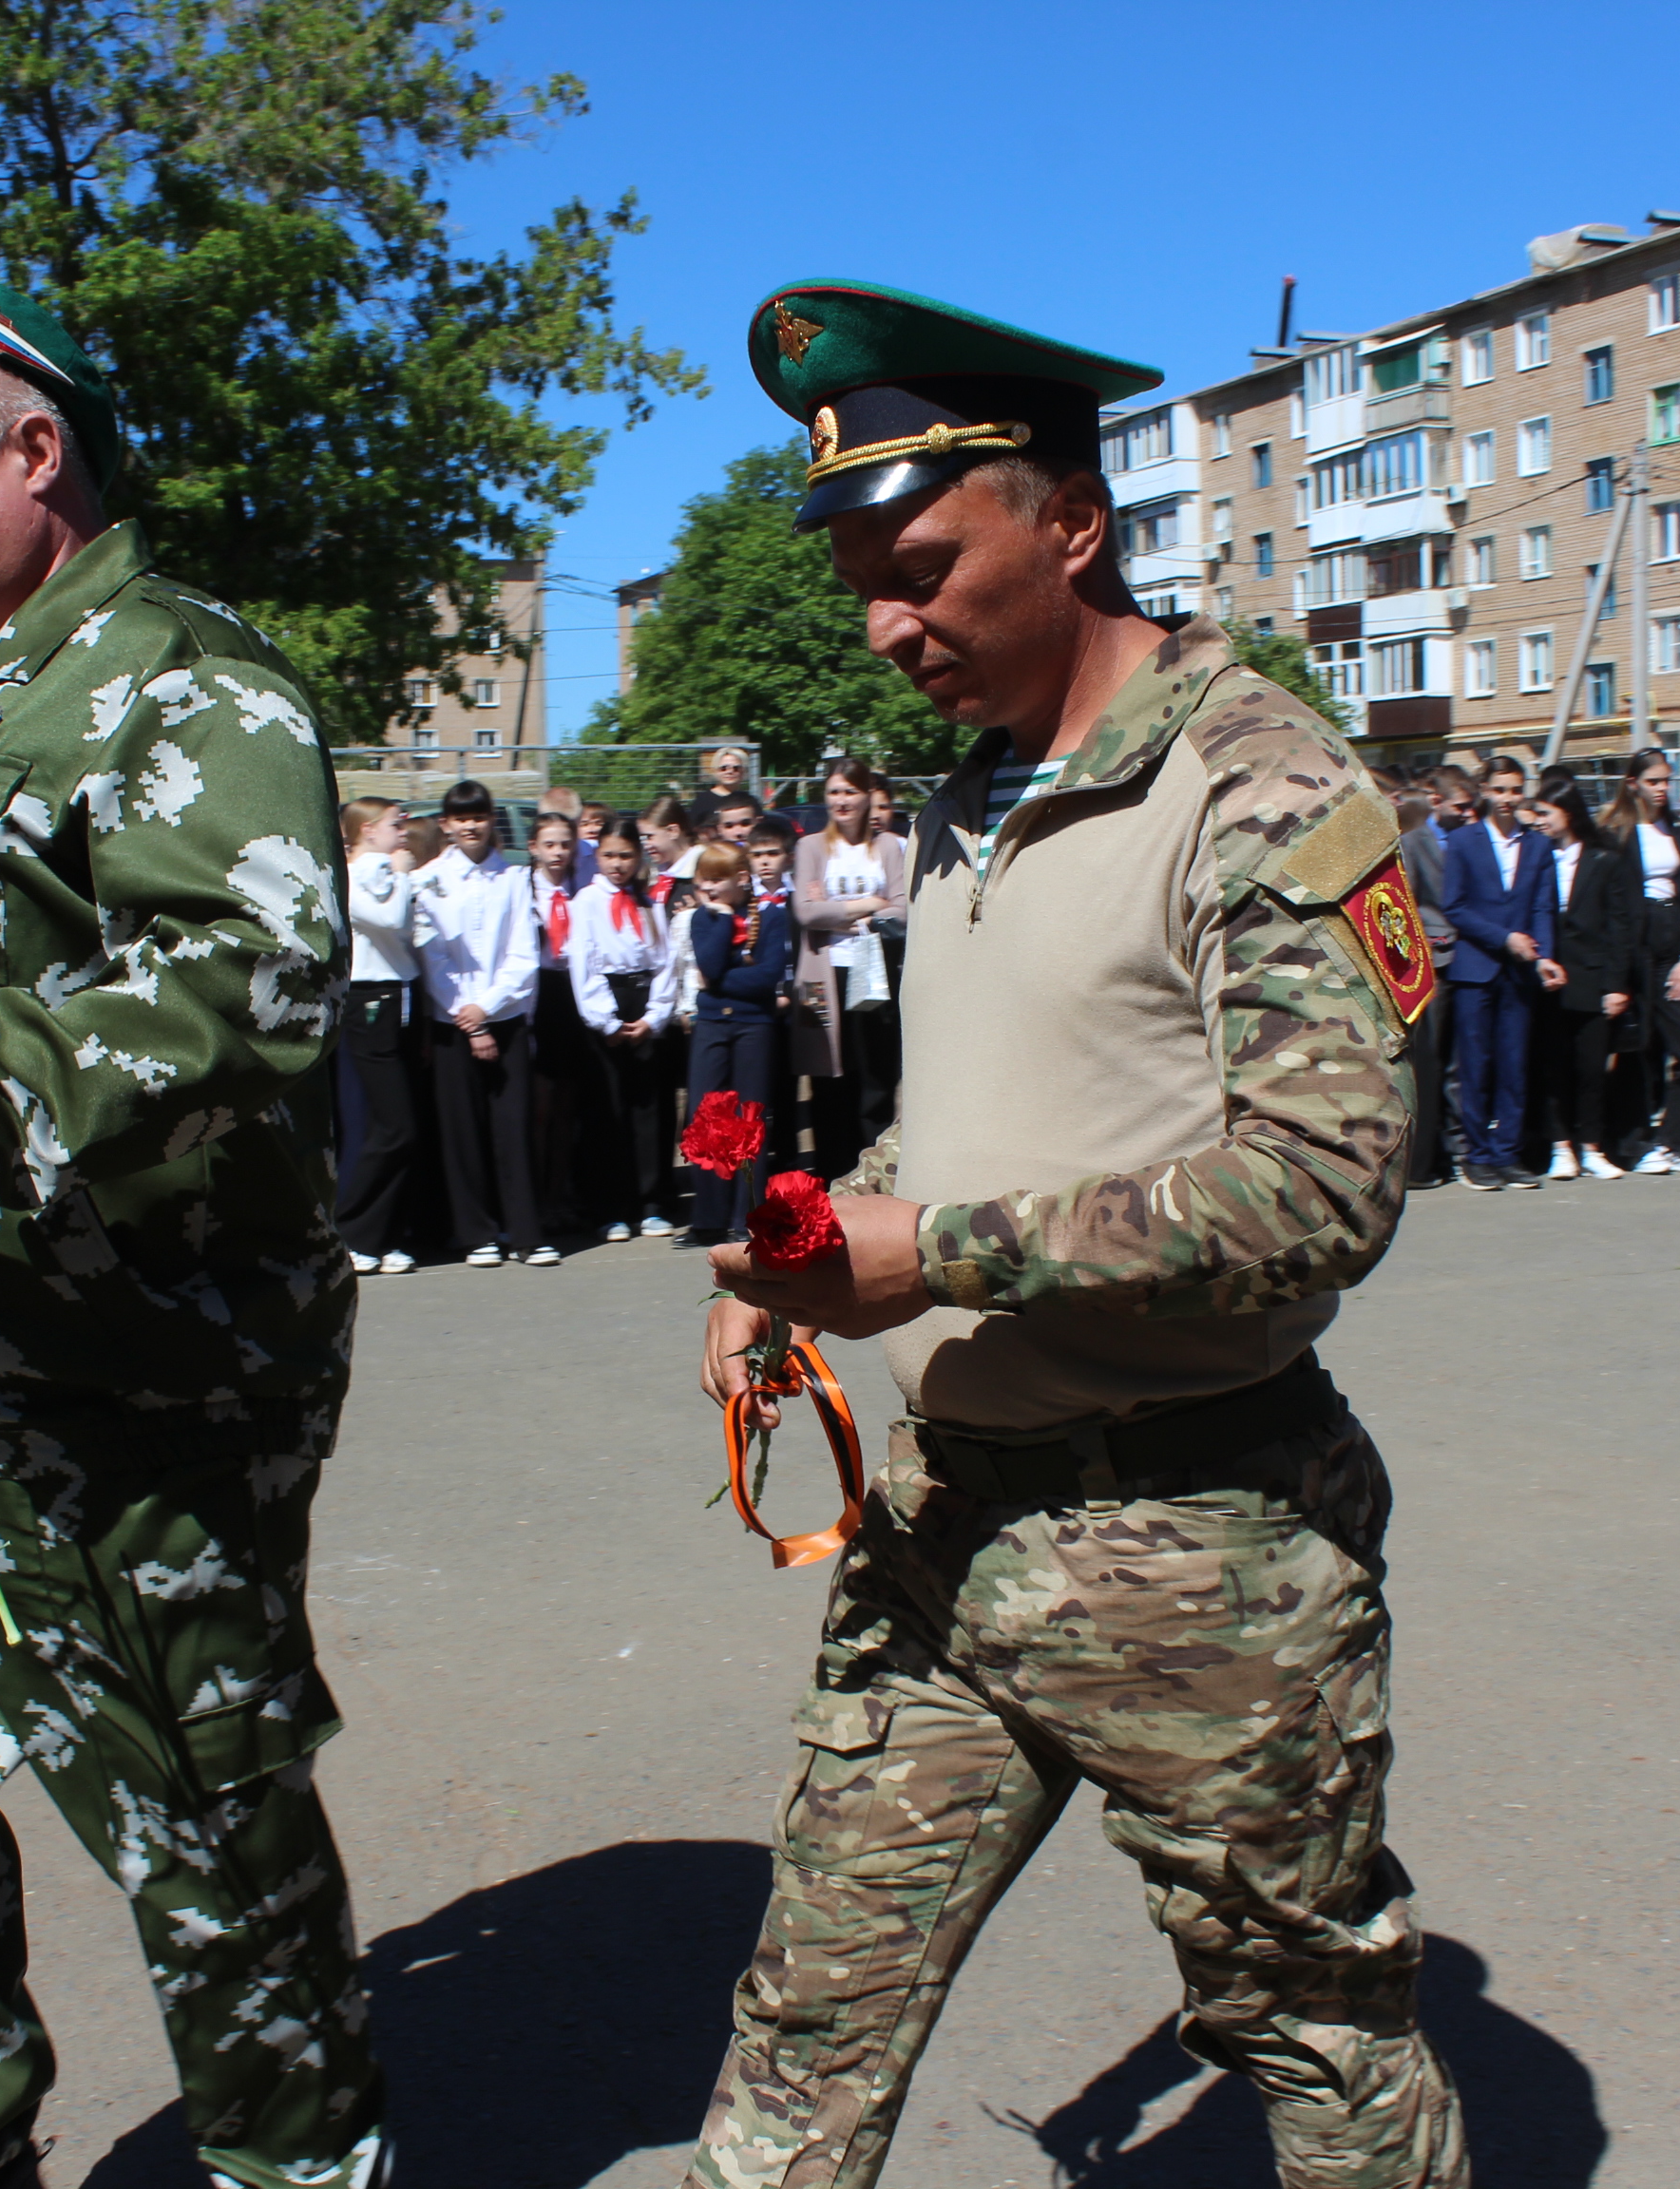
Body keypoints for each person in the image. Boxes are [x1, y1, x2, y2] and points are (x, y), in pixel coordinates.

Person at [695, 278, 1461, 2189]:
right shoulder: (972, 800)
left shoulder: (1261, 782)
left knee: (1322, 2048)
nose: (890, 624)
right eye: (864, 580)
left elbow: (1322, 1186)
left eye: (927, 564)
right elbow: (970, 1106)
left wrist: (936, 1250)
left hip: (1191, 1547)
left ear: (1071, 523)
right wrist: (810, 1259)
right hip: (947, 1526)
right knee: (807, 2025)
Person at [0, 270, 383, 2189]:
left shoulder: (179, 676)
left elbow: (259, 983)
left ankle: (296, 2170)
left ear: (36, 457)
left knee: (200, 1830)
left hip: (141, 1396)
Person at [415, 775, 549, 1268]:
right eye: (460, 817)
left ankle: (525, 1232)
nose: (470, 826)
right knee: (462, 1133)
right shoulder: (428, 880)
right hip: (452, 1021)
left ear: (492, 820)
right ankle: (476, 1233)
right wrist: (468, 1019)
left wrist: (487, 1008)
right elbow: (432, 956)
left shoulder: (514, 878)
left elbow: (522, 955)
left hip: (505, 1017)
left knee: (512, 1127)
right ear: (446, 824)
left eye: (479, 816)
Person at [792, 756, 908, 1181]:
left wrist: (835, 911)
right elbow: (805, 912)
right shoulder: (810, 848)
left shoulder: (889, 847)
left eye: (850, 792)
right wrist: (867, 906)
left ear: (867, 797)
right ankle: (830, 1181)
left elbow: (902, 910)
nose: (841, 801)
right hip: (822, 977)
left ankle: (872, 1181)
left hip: (872, 971)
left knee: (875, 1080)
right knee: (827, 1080)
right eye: (834, 792)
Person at [1441, 752, 1551, 1189]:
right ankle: (1476, 1155)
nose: (1508, 799)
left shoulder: (1538, 845)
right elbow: (1455, 906)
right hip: (1476, 968)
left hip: (1521, 970)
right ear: (1485, 791)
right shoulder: (1465, 841)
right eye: (1500, 790)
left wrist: (1544, 956)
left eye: (1516, 790)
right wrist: (1504, 939)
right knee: (1475, 1065)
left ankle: (1507, 1152)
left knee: (1514, 1063)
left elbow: (1543, 905)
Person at [570, 812, 681, 1238]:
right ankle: (610, 1207)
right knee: (608, 1110)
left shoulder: (648, 902)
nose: (617, 864)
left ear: (638, 856)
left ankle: (651, 1200)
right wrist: (606, 1020)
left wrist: (654, 1016)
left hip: (645, 1002)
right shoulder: (586, 902)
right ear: (597, 855)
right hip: (606, 1006)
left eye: (626, 855)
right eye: (609, 855)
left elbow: (666, 961)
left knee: (649, 1108)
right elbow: (584, 963)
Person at [1602, 752, 1680, 1173]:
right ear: (1633, 783)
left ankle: (1678, 1143)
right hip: (1634, 943)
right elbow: (1613, 900)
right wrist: (1618, 974)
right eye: (1653, 781)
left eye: (1667, 780)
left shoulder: (1679, 829)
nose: (1662, 788)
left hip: (1673, 940)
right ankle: (1632, 1145)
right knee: (1637, 1050)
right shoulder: (1617, 830)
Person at [680, 841, 790, 1241]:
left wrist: (716, 985)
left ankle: (747, 1215)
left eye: (716, 880)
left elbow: (767, 976)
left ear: (741, 880)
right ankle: (707, 1218)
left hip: (753, 1027)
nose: (707, 887)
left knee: (749, 1120)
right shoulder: (703, 918)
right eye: (702, 879)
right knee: (707, 1119)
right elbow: (707, 963)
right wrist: (724, 918)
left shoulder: (773, 916)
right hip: (711, 1025)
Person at [1528, 782, 1632, 1178]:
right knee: (1554, 1067)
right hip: (1548, 978)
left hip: (1592, 976)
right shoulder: (1537, 856)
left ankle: (1592, 1146)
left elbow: (1620, 926)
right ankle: (1560, 1147)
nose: (1539, 822)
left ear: (1567, 813)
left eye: (1546, 814)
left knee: (1591, 1068)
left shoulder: (1604, 860)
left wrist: (1617, 984)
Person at [336, 796, 422, 1275]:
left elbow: (407, 930)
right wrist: (404, 876)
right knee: (393, 1126)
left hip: (401, 995)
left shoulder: (389, 873)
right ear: (368, 829)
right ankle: (351, 1230)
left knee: (401, 1129)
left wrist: (401, 877)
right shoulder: (351, 875)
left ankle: (383, 1235)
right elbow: (389, 921)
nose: (403, 831)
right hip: (368, 998)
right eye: (395, 823)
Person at [522, 809, 600, 1242]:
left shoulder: (583, 890)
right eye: (549, 844)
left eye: (565, 844)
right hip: (538, 995)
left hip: (574, 992)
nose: (558, 852)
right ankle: (536, 1199)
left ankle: (561, 1195)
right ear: (534, 846)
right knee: (540, 1107)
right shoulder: (521, 887)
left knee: (569, 1107)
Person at [1394, 789, 1457, 1187]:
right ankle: (1419, 1164)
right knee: (1425, 1062)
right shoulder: (1408, 843)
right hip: (1417, 965)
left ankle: (1432, 1159)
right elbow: (1405, 903)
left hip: (1430, 959)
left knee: (1438, 1062)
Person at [686, 741, 754, 831]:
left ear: (743, 771)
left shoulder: (750, 800)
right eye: (723, 768)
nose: (730, 771)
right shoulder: (703, 801)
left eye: (736, 768)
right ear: (716, 771)